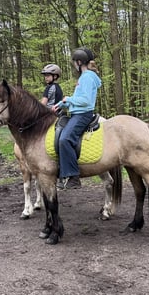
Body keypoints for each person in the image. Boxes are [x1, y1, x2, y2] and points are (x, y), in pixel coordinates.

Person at [51, 47, 101, 190]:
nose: (74, 65)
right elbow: (78, 99)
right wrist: (62, 103)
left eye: (74, 62)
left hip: (82, 115)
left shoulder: (87, 77)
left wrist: (69, 99)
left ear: (79, 62)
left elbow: (85, 101)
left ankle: (73, 176)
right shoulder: (85, 77)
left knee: (65, 139)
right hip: (77, 113)